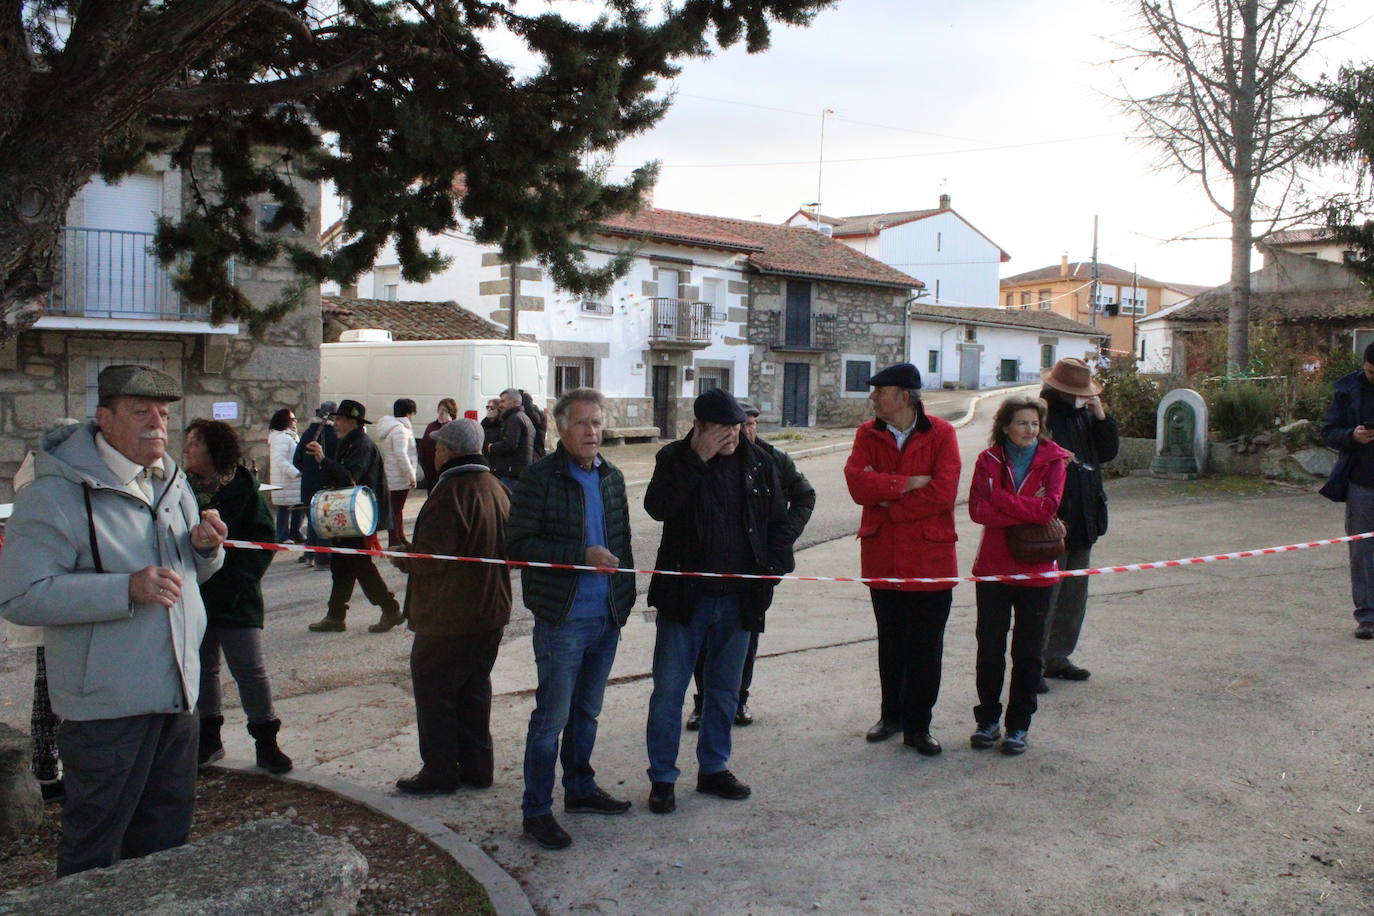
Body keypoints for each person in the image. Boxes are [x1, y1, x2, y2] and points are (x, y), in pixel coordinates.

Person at [0, 364, 227, 877]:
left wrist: (205, 550)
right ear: (104, 418)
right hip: (106, 708)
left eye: (164, 413)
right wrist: (124, 589)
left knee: (165, 842)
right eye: (140, 411)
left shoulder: (172, 482)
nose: (157, 424)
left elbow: (191, 576)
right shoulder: (51, 494)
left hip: (179, 697)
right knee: (94, 851)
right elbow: (20, 597)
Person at [643, 388, 788, 816]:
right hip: (685, 600)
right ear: (700, 428)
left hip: (739, 599)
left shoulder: (759, 462)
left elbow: (779, 521)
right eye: (724, 430)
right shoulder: (674, 459)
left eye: (738, 428)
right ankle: (663, 778)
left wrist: (772, 570)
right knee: (669, 690)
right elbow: (658, 507)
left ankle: (713, 768)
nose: (734, 437)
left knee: (724, 691)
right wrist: (697, 459)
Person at [506, 388, 637, 850]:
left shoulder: (613, 477)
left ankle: (579, 789)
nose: (592, 431)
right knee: (552, 718)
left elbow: (622, 542)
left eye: (598, 422)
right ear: (560, 428)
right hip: (563, 618)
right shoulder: (539, 479)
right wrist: (578, 556)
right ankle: (536, 810)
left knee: (588, 712)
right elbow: (517, 546)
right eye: (582, 423)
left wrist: (626, 596)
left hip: (606, 617)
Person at [844, 363, 961, 756]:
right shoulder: (867, 434)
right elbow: (857, 484)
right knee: (891, 643)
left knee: (926, 646)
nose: (873, 397)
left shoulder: (943, 434)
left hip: (931, 561)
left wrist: (887, 502)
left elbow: (944, 493)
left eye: (881, 391)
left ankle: (919, 725)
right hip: (883, 558)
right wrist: (906, 483)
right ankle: (890, 715)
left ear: (905, 397)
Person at [393, 418, 512, 794]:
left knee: (435, 692)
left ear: (449, 451)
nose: (434, 451)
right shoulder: (495, 486)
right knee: (474, 690)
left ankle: (440, 771)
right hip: (489, 610)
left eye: (439, 446)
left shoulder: (450, 493)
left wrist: (403, 556)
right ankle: (477, 768)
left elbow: (430, 561)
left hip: (449, 616)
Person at [686, 400, 814, 730]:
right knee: (705, 639)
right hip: (712, 570)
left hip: (758, 567)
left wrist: (781, 539)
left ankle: (739, 699)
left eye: (752, 424)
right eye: (741, 425)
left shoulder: (773, 458)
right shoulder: (711, 457)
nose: (746, 431)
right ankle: (703, 703)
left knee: (747, 634)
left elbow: (804, 495)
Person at [183, 419, 292, 774]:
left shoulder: (244, 489)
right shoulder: (180, 490)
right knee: (203, 671)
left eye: (195, 443)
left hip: (237, 598)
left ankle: (266, 742)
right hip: (196, 596)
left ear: (215, 450)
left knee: (250, 670)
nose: (187, 448)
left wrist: (237, 582)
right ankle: (209, 740)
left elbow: (263, 541)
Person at [967, 396, 1071, 756]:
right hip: (994, 568)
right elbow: (978, 511)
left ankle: (1019, 726)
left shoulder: (1055, 460)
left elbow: (1048, 509)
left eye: (1035, 424)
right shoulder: (988, 459)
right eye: (1023, 423)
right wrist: (1020, 508)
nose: (1030, 430)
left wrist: (1002, 499)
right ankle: (987, 720)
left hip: (1037, 571)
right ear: (1005, 426)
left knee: (1028, 653)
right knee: (990, 648)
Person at [1039, 357, 1119, 690]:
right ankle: (1034, 661)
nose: (1082, 397)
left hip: (1085, 517)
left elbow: (1107, 452)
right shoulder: (1042, 418)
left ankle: (1058, 657)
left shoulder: (1086, 418)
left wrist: (1101, 417)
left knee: (1074, 595)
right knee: (1046, 597)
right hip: (1053, 520)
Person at [304, 399, 402, 633]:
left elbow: (350, 478)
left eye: (338, 419)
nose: (335, 424)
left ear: (351, 421)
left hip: (360, 515)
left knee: (360, 565)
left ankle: (390, 608)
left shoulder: (361, 444)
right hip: (349, 514)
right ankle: (336, 615)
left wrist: (322, 460)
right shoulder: (349, 442)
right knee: (342, 565)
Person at [1320, 342, 1374, 639]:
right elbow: (1328, 431)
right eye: (1369, 372)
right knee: (1362, 552)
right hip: (1362, 483)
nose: (1372, 377)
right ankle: (1367, 617)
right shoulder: (1347, 390)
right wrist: (1351, 436)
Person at [294, 401, 339, 570]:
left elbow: (297, 460)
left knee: (312, 520)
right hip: (324, 484)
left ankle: (309, 554)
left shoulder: (307, 434)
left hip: (307, 484)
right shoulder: (334, 435)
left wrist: (307, 471)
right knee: (324, 522)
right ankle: (323, 558)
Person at [375, 398, 419, 549]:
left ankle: (400, 537)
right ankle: (395, 539)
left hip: (393, 474)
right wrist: (411, 476)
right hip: (399, 476)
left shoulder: (392, 427)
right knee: (396, 509)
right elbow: (401, 454)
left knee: (397, 509)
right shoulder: (400, 429)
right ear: (408, 413)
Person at [268, 407, 305, 544]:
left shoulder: (291, 436)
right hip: (286, 480)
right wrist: (294, 472)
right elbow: (279, 460)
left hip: (293, 481)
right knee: (284, 508)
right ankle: (282, 536)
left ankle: (295, 532)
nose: (295, 421)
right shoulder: (281, 438)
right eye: (292, 419)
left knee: (298, 507)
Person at [487, 387, 535, 491]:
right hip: (518, 473)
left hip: (512, 475)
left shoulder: (514, 419)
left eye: (503, 401)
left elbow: (510, 444)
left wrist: (493, 447)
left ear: (516, 402)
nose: (500, 405)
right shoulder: (522, 417)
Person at [418, 398, 457, 489]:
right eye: (440, 409)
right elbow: (424, 444)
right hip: (430, 469)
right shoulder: (431, 426)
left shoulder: (454, 426)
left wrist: (447, 423)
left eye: (445, 410)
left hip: (447, 470)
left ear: (451, 412)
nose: (441, 412)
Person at [522, 389, 549, 458]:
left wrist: (526, 396)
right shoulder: (536, 413)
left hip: (536, 454)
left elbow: (532, 416)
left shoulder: (537, 415)